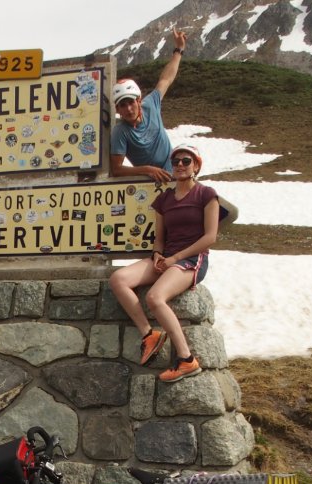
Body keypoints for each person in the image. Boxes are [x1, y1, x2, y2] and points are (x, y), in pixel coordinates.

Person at [108, 144, 217, 383]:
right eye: (176, 161)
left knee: (155, 297)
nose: (179, 165)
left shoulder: (206, 194)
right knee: (119, 279)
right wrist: (158, 255)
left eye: (186, 161)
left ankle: (186, 360)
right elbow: (159, 238)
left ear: (196, 165)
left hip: (190, 260)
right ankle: (149, 334)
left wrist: (175, 259)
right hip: (166, 258)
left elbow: (210, 237)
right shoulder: (164, 199)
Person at [109, 29, 188, 184]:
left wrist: (179, 50)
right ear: (117, 110)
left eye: (131, 102)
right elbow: (117, 169)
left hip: (176, 174)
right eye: (122, 105)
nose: (129, 109)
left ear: (139, 100)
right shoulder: (121, 132)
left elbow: (165, 79)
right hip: (153, 184)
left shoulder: (150, 104)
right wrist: (148, 170)